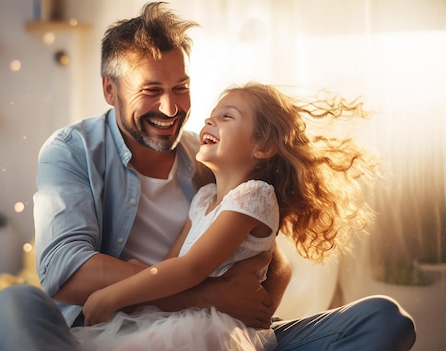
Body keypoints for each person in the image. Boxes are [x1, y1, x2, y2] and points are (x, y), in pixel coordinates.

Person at [0, 3, 416, 350]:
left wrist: (251, 308)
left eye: (181, 87)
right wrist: (204, 298)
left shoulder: (205, 156)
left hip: (216, 330)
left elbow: (266, 255)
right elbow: (66, 271)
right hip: (122, 329)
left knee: (383, 318)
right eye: (151, 90)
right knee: (13, 304)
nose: (171, 109)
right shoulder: (71, 150)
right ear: (109, 90)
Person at [67, 82, 386, 351]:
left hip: (219, 329)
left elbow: (192, 267)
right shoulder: (204, 198)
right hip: (187, 315)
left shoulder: (254, 196)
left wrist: (115, 294)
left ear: (263, 146)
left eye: (226, 117)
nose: (210, 122)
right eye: (210, 117)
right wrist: (141, 273)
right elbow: (171, 261)